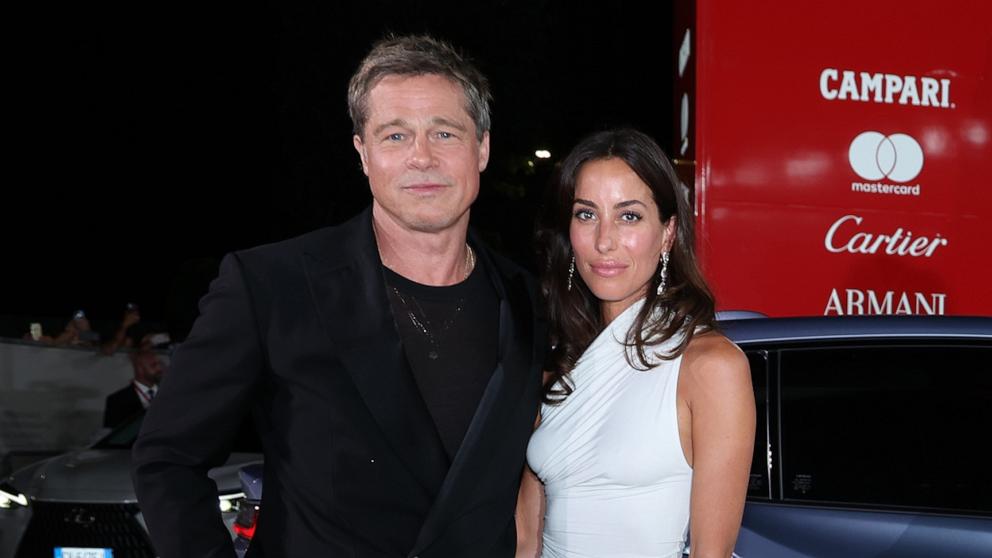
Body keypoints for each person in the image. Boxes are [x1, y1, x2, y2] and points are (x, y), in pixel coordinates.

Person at [132, 35, 545, 558]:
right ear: (363, 153)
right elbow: (166, 458)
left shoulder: (528, 303)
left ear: (481, 147)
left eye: (444, 132)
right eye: (395, 136)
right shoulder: (270, 285)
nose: (422, 157)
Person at [517, 129, 755, 558]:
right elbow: (525, 540)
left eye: (629, 216)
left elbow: (711, 552)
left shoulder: (710, 366)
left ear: (667, 233)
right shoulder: (558, 369)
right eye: (586, 215)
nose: (604, 241)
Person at [103, 348, 165, 428]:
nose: (159, 369)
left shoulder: (170, 394)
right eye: (153, 365)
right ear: (140, 369)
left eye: (159, 364)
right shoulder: (117, 401)